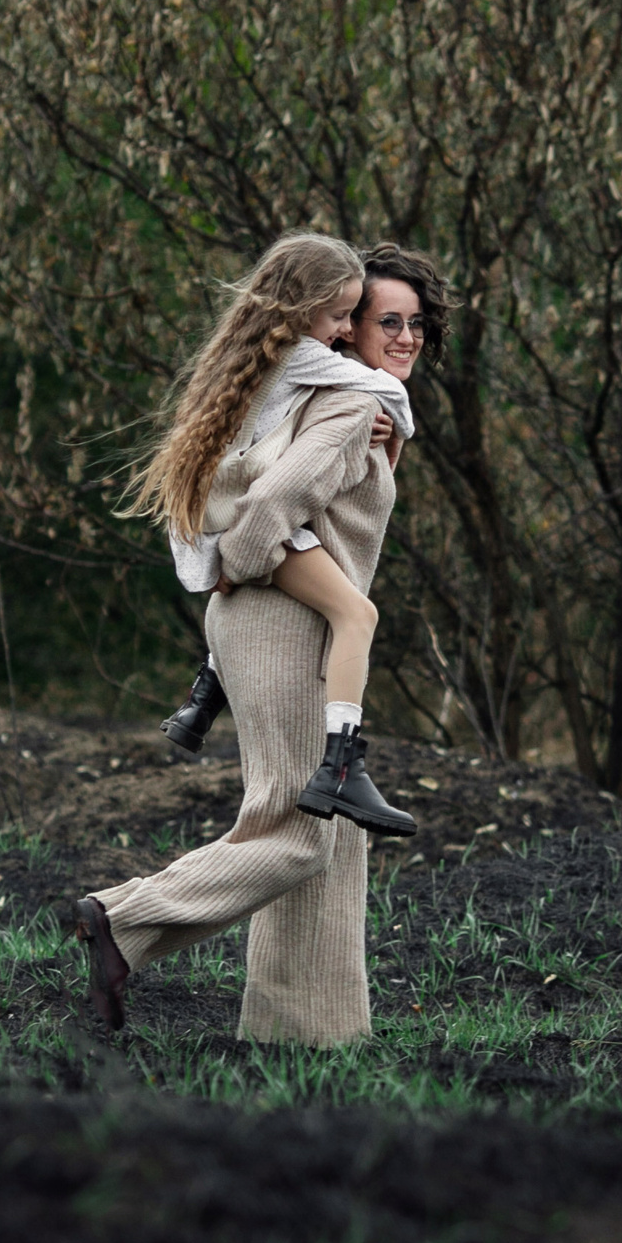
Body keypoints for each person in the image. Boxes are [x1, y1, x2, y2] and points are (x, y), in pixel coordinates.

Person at [70, 237, 447, 1040]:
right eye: (383, 320)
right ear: (344, 327)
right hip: (278, 623)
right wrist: (238, 562)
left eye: (417, 323)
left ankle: (310, 1031)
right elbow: (267, 502)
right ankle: (120, 919)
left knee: (332, 837)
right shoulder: (352, 401)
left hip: (293, 622)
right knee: (300, 830)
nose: (403, 336)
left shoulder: (336, 392)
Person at [140, 234, 416, 833]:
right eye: (341, 315)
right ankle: (341, 762)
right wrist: (396, 426)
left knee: (323, 602)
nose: (344, 332)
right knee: (357, 616)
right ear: (300, 307)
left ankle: (202, 698)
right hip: (250, 523)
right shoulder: (303, 354)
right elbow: (390, 390)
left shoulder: (249, 352)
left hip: (221, 515)